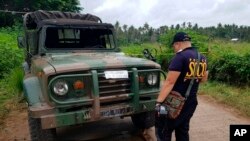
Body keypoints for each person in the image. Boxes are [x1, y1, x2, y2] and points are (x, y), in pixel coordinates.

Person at [155, 32, 208, 141]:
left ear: (178, 44)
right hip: (191, 102)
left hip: (175, 103)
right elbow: (203, 79)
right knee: (183, 130)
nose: (174, 48)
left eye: (174, 45)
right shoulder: (202, 57)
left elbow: (169, 82)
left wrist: (159, 102)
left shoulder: (180, 57)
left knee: (164, 129)